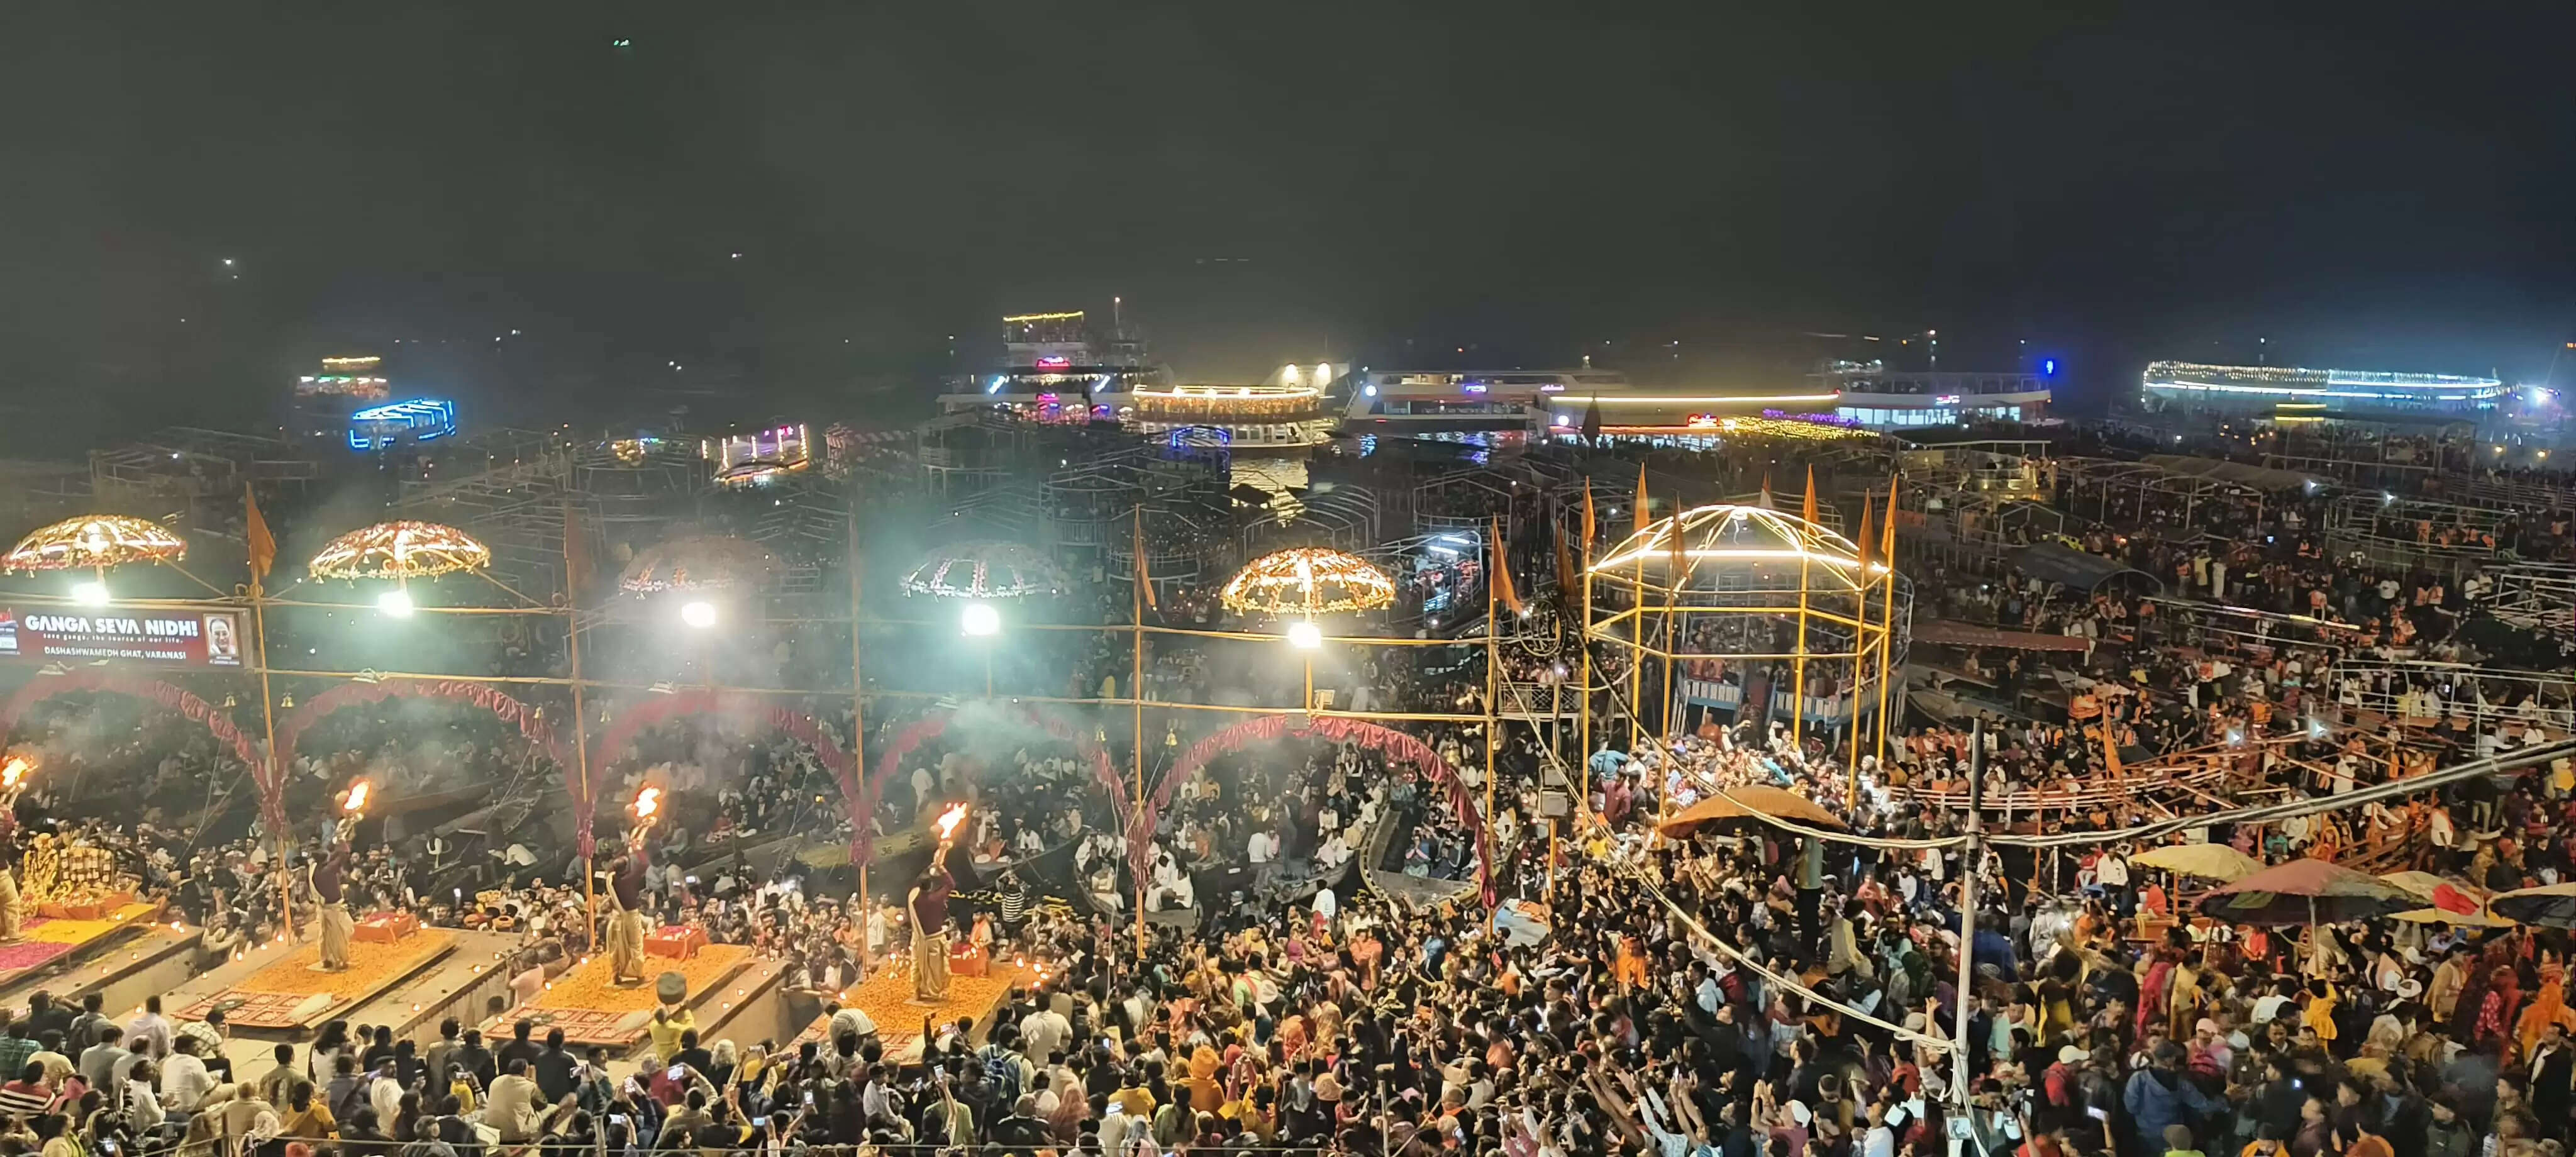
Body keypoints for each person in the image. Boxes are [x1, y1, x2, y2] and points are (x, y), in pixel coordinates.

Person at [909, 845, 956, 1004]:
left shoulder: (912, 896)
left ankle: (917, 991)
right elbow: (951, 885)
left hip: (917, 939)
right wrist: (941, 868)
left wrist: (932, 866)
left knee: (917, 965)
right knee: (936, 969)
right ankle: (934, 994)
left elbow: (918, 880)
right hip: (933, 939)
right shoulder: (935, 899)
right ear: (930, 886)